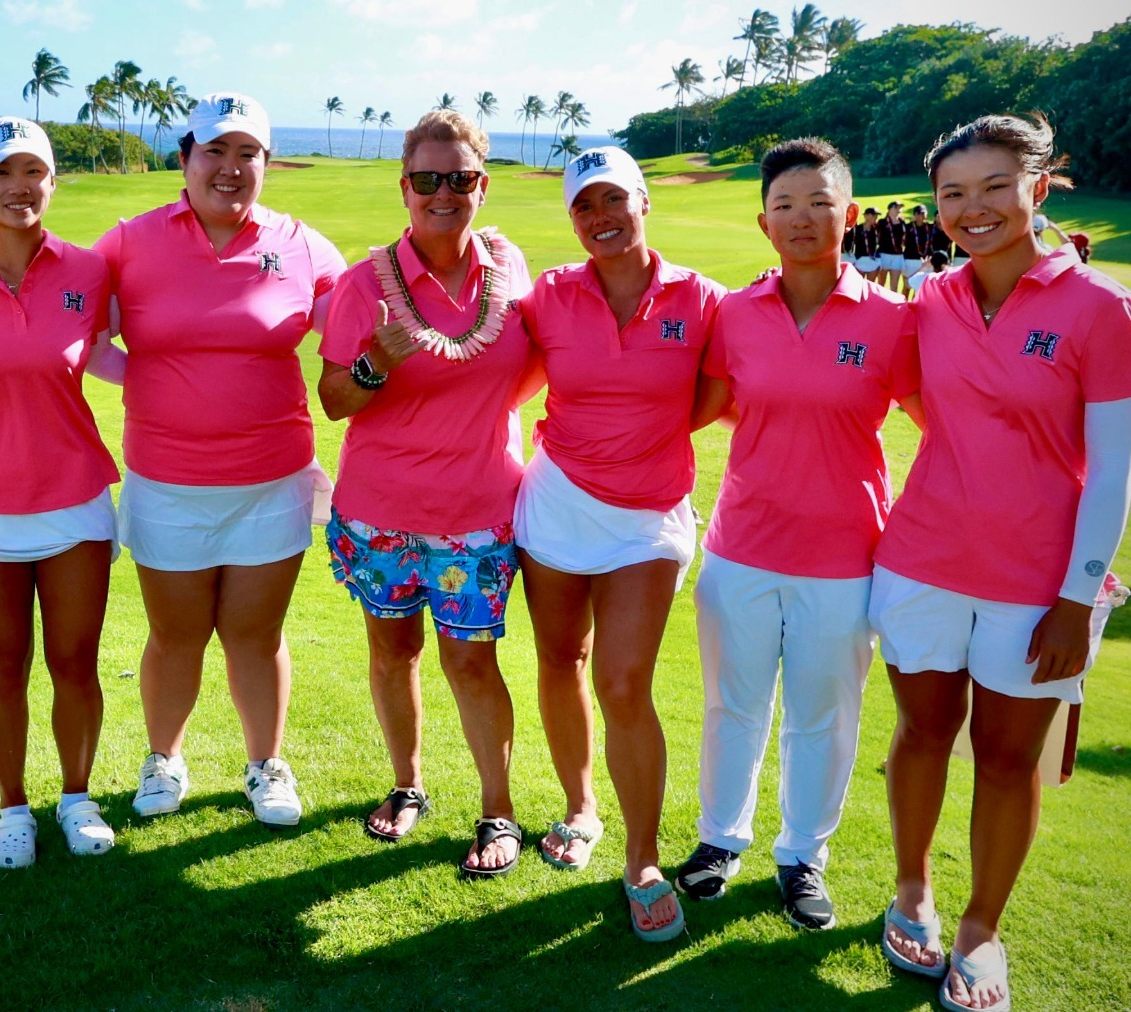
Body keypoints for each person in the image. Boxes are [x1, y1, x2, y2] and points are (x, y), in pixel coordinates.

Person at [870, 114, 1131, 1012]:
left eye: (992, 188)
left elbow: (1113, 468)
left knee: (1008, 762)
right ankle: (912, 889)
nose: (971, 209)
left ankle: (981, 930)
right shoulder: (930, 300)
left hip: (1038, 582)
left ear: (1040, 187)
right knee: (922, 733)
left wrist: (1079, 593)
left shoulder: (1099, 307)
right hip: (921, 562)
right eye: (952, 193)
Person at [676, 139, 918, 932]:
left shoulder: (893, 323)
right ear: (763, 221)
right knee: (732, 706)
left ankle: (802, 855)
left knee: (825, 713)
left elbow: (950, 430)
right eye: (785, 205)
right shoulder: (735, 313)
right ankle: (719, 841)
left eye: (820, 202)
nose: (803, 218)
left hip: (846, 554)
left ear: (850, 214)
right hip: (742, 545)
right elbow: (694, 409)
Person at [95, 92, 346, 828]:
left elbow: (359, 323)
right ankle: (163, 757)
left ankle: (265, 763)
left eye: (248, 154)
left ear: (267, 164)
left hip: (272, 479)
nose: (230, 169)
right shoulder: (130, 242)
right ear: (185, 160)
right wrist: (146, 380)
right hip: (167, 480)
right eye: (215, 151)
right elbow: (78, 329)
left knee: (255, 635)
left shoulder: (302, 245)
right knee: (176, 635)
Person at [315, 110, 535, 874]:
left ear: (483, 183)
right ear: (404, 188)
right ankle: (407, 785)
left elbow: (531, 368)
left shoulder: (510, 269)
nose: (443, 193)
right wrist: (376, 362)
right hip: (381, 515)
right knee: (393, 651)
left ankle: (498, 812)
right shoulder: (363, 283)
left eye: (461, 179)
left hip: (477, 515)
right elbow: (335, 399)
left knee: (472, 663)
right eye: (427, 180)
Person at [514, 146, 725, 941]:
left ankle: (642, 857)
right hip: (558, 503)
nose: (600, 218)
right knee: (559, 659)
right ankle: (580, 807)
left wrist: (644, 441)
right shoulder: (550, 296)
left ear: (644, 203)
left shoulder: (700, 298)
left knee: (624, 681)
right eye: (584, 207)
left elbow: (715, 392)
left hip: (648, 517)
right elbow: (495, 353)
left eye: (614, 201)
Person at [0, 118, 120, 868]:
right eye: (3, 174)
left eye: (34, 172)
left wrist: (212, 391)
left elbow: (122, 357)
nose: (20, 187)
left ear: (52, 182)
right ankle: (12, 808)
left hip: (74, 496)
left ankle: (77, 798)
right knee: (3, 662)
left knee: (76, 662)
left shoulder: (88, 270)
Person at [877, 200, 910, 294]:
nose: (899, 210)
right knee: (881, 283)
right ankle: (879, 302)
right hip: (884, 255)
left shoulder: (902, 222)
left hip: (898, 255)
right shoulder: (882, 222)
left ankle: (892, 305)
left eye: (900, 208)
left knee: (894, 286)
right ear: (890, 209)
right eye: (896, 207)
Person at [851, 207, 884, 285]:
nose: (876, 218)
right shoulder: (857, 229)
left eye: (876, 216)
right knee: (858, 286)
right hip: (860, 260)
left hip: (873, 260)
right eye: (873, 215)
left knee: (870, 286)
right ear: (866, 216)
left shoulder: (877, 229)